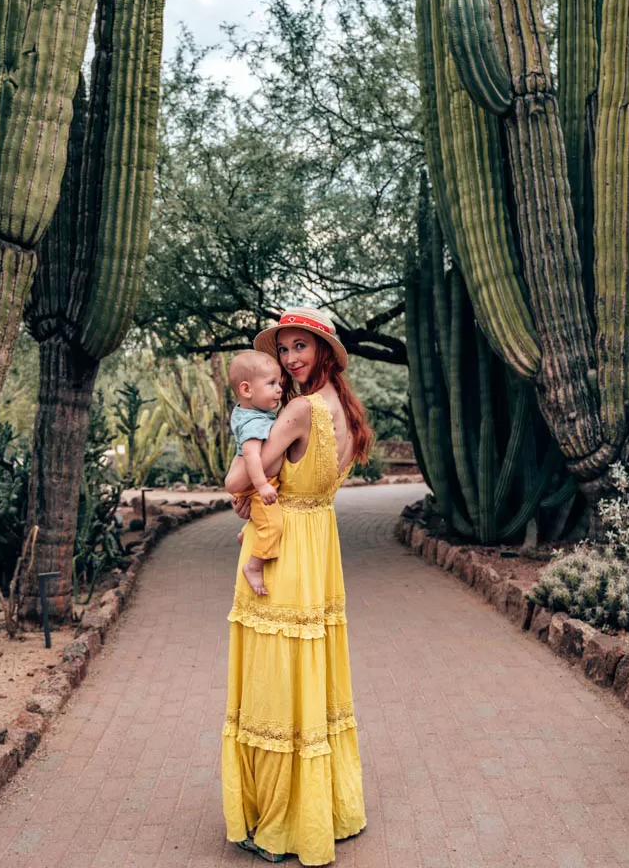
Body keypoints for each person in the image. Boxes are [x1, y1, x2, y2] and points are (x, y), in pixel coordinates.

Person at [222, 306, 374, 866]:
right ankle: (327, 808)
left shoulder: (299, 410)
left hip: (285, 552)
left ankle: (283, 821)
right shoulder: (346, 411)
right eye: (283, 350)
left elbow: (239, 478)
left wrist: (244, 468)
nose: (289, 359)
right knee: (314, 674)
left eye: (299, 348)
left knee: (276, 679)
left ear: (324, 352)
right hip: (319, 545)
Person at [227, 350, 285, 597]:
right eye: (271, 383)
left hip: (255, 483)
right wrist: (261, 485)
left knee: (261, 519)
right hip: (259, 483)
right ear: (247, 390)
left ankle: (247, 535)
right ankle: (253, 566)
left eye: (279, 383)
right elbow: (251, 456)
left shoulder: (249, 411)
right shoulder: (253, 423)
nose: (279, 389)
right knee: (273, 526)